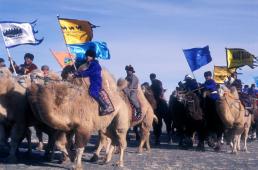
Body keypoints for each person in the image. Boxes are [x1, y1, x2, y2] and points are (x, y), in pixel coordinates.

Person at [73, 49, 111, 115]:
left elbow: (89, 72)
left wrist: (78, 74)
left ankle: (105, 106)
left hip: (96, 81)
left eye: (88, 56)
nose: (86, 57)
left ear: (91, 57)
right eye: (86, 56)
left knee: (92, 92)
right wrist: (77, 74)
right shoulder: (92, 64)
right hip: (94, 80)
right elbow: (87, 71)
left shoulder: (95, 65)